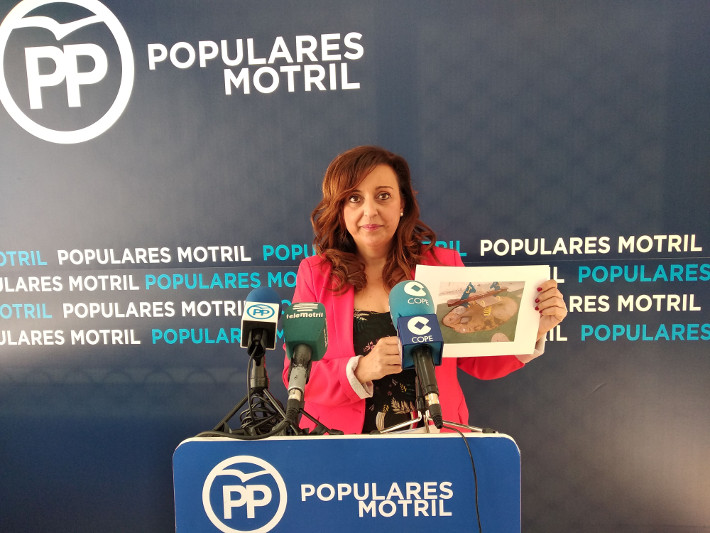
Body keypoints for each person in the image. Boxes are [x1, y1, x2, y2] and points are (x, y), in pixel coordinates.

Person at [282, 145, 567, 434]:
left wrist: (534, 329)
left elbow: (477, 359)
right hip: (340, 445)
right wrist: (361, 369)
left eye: (383, 196)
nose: (370, 211)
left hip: (434, 441)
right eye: (354, 198)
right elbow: (297, 375)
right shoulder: (316, 274)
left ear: (402, 203)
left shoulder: (442, 265)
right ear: (341, 208)